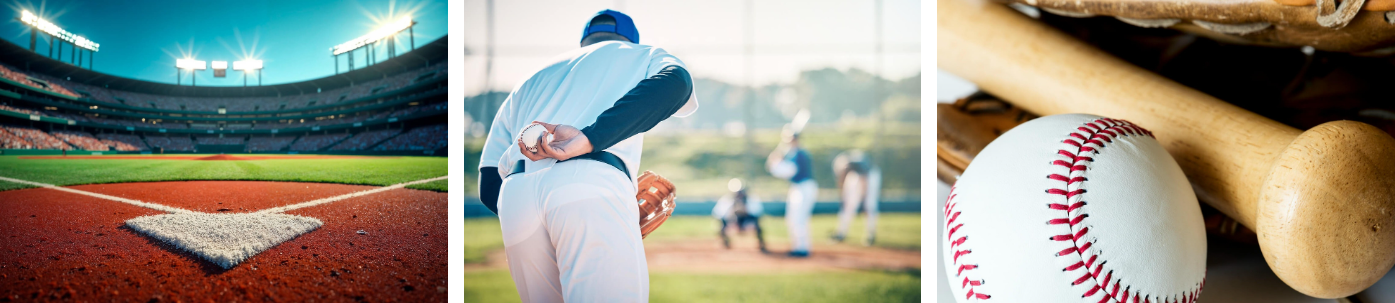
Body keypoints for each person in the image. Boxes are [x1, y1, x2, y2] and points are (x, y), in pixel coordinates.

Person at [474, 9, 697, 303]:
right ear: (630, 39)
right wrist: (592, 137)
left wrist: (534, 216)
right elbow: (677, 82)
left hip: (516, 197)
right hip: (591, 183)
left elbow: (489, 180)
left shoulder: (530, 79)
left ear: (584, 42)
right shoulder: (642, 53)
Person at [767, 125, 816, 257]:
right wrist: (776, 163)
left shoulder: (799, 154)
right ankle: (798, 247)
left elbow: (790, 171)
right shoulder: (793, 154)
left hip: (804, 187)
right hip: (797, 187)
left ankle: (802, 248)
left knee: (799, 218)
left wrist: (775, 164)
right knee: (792, 218)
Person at [830, 150, 881, 246]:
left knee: (869, 205)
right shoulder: (850, 171)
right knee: (849, 206)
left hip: (870, 177)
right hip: (860, 177)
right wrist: (843, 197)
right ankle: (841, 233)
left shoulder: (859, 166)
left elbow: (865, 180)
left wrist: (864, 198)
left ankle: (870, 235)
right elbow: (842, 186)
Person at [712, 178, 767, 253]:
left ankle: (761, 244)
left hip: (747, 221)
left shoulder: (751, 199)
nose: (739, 194)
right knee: (721, 225)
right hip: (733, 221)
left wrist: (745, 210)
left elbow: (758, 213)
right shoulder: (727, 200)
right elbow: (719, 214)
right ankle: (725, 243)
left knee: (758, 225)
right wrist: (731, 213)